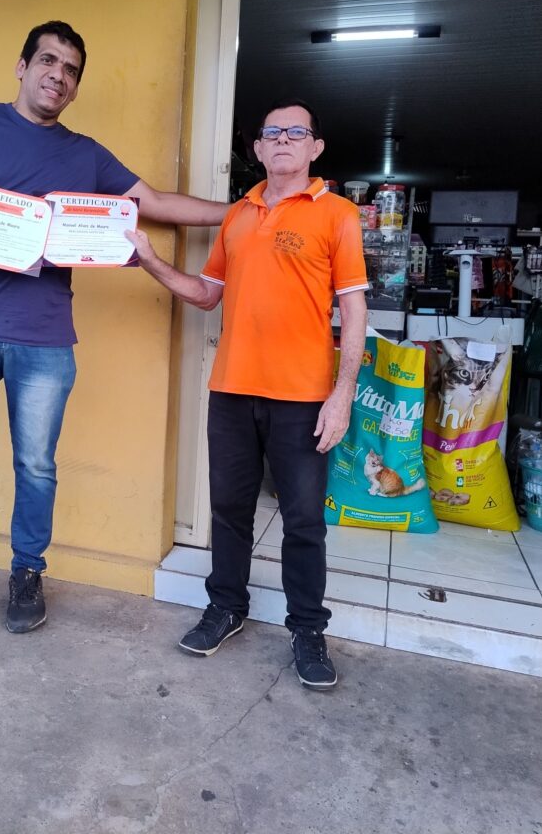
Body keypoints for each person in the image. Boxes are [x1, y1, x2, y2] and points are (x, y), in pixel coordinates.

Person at [0, 20, 229, 661]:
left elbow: (158, 203)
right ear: (22, 66)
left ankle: (27, 574)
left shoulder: (86, 155)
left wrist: (249, 210)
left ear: (76, 87)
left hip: (46, 340)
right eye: (48, 61)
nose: (59, 74)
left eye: (71, 69)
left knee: (37, 467)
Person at [126, 100, 368, 690]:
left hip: (303, 396)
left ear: (315, 148)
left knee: (304, 519)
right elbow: (207, 293)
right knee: (229, 511)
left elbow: (354, 307)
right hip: (232, 390)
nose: (283, 139)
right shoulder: (237, 216)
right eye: (272, 132)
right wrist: (151, 261)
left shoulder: (337, 214)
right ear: (257, 149)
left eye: (296, 132)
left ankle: (307, 629)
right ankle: (226, 607)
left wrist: (342, 394)